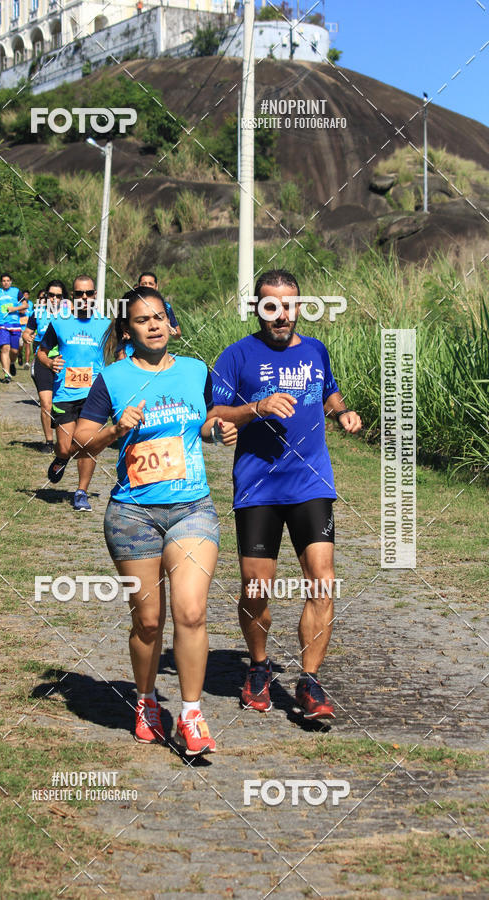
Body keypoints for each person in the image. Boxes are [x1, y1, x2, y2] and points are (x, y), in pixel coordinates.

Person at [67, 287, 236, 755]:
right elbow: (80, 444)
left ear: (170, 322)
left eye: (160, 316)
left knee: (191, 611)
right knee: (147, 620)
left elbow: (206, 421)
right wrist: (116, 429)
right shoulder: (112, 378)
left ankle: (192, 715)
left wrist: (218, 430)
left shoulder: (196, 370)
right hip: (132, 515)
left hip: (191, 509)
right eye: (143, 320)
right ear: (127, 330)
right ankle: (145, 702)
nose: (155, 325)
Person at [209, 269, 362, 720]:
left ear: (300, 307)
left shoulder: (316, 350)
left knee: (322, 580)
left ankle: (309, 680)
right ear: (257, 308)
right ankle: (258, 666)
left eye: (289, 305)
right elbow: (215, 415)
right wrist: (256, 408)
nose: (281, 314)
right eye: (271, 305)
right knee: (257, 587)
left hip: (311, 483)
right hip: (258, 487)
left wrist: (342, 412)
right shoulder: (235, 355)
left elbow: (328, 391)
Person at [37, 275, 110, 510]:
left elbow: (122, 349)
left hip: (94, 394)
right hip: (65, 394)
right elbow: (41, 352)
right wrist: (50, 363)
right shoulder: (59, 322)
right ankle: (61, 458)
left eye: (88, 293)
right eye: (79, 293)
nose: (84, 297)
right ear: (73, 296)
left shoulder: (106, 324)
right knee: (65, 447)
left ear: (95, 295)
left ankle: (81, 492)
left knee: (87, 444)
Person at [23, 280, 67, 453]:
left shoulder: (69, 314)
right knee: (46, 404)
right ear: (46, 296)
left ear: (63, 297)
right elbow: (27, 332)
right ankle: (49, 442)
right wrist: (26, 337)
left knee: (63, 404)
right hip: (42, 360)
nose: (54, 299)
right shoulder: (38, 313)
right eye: (51, 295)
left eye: (58, 296)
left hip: (64, 362)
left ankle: (66, 439)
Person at [0, 272, 28, 383]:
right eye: (3, 281)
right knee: (5, 348)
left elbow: (25, 305)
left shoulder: (16, 291)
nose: (5, 283)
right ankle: (7, 375)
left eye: (7, 281)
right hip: (1, 324)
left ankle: (11, 363)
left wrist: (14, 309)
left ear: (11, 282)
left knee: (14, 351)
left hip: (14, 324)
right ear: (1, 282)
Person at [18, 290, 33, 368]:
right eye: (24, 295)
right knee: (20, 345)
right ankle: (19, 354)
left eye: (27, 295)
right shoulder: (19, 303)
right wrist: (22, 309)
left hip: (28, 328)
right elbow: (21, 311)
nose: (25, 296)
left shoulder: (31, 304)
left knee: (27, 344)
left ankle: (27, 362)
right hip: (19, 327)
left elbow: (31, 313)